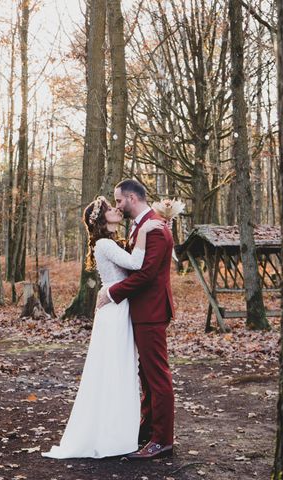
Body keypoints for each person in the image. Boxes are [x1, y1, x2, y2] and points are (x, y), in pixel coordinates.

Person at [42, 195, 165, 459]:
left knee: (120, 368)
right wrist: (144, 231)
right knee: (114, 369)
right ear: (100, 219)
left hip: (118, 307)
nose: (116, 210)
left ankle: (121, 429)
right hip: (115, 309)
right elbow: (135, 265)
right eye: (110, 208)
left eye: (116, 204)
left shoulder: (110, 243)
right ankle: (112, 434)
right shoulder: (104, 244)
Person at [96, 179, 175, 460]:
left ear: (131, 198)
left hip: (151, 311)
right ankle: (148, 430)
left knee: (157, 375)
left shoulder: (153, 228)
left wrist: (112, 293)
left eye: (118, 201)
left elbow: (146, 275)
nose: (117, 205)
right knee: (146, 374)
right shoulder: (143, 226)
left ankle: (163, 439)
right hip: (142, 311)